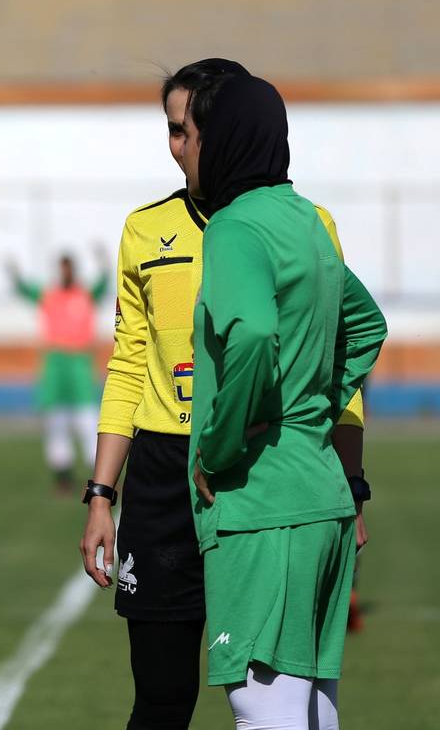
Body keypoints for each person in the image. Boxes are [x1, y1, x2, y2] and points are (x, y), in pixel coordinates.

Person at [79, 58, 372, 730]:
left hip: (253, 470)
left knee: (272, 690)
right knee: (163, 696)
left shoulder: (299, 222)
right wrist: (101, 493)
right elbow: (129, 364)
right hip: (165, 473)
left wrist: (348, 477)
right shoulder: (143, 229)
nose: (181, 145)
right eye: (172, 129)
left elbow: (332, 363)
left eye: (192, 129)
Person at [184, 73, 386, 728]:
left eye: (197, 133)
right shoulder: (305, 219)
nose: (188, 148)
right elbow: (368, 325)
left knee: (263, 704)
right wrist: (310, 407)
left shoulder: (233, 226)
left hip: (263, 500)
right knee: (312, 708)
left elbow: (253, 334)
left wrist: (220, 445)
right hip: (321, 492)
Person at [7, 251, 109, 493]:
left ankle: (100, 473)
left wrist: (104, 261)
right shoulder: (49, 295)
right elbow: (24, 290)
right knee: (56, 422)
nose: (65, 272)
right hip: (54, 364)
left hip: (80, 363)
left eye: (69, 268)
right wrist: (14, 273)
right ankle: (62, 475)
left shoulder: (85, 294)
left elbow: (103, 285)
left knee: (87, 420)